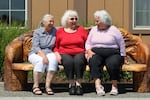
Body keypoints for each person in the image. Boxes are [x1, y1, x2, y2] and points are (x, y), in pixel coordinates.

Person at [85, 10, 126, 96]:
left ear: (104, 21)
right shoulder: (94, 30)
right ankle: (98, 86)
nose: (96, 23)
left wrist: (123, 56)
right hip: (96, 52)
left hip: (112, 53)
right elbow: (88, 43)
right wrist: (88, 50)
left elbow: (121, 44)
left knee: (113, 63)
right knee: (93, 60)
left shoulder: (114, 30)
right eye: (95, 21)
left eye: (97, 21)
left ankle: (114, 86)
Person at [54, 10, 88, 95]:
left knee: (79, 61)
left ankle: (79, 84)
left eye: (76, 19)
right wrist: (57, 53)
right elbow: (56, 46)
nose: (74, 21)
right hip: (64, 52)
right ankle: (71, 84)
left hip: (79, 52)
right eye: (72, 19)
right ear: (66, 20)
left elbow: (88, 43)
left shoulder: (81, 30)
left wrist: (88, 51)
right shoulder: (60, 31)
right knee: (68, 61)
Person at [28, 14, 58, 95]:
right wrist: (43, 56)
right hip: (35, 53)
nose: (51, 23)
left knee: (53, 60)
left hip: (49, 52)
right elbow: (36, 47)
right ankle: (36, 86)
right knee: (40, 61)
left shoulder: (55, 31)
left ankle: (47, 86)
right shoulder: (38, 32)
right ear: (44, 22)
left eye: (53, 21)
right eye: (50, 21)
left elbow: (65, 28)